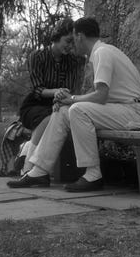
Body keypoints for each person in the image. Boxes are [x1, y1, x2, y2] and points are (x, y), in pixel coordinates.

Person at [7, 17, 140, 191]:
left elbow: (101, 96)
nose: (73, 44)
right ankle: (39, 171)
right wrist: (67, 102)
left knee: (77, 109)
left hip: (132, 112)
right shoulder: (102, 52)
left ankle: (93, 175)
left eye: (73, 39)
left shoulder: (101, 52)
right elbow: (100, 95)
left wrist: (72, 99)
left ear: (80, 36)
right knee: (63, 111)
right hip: (121, 108)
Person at [11, 18, 85, 173]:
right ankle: (28, 168)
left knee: (57, 115)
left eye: (73, 43)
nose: (70, 46)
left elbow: (70, 89)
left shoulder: (73, 61)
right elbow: (37, 89)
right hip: (35, 104)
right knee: (49, 117)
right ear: (57, 36)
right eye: (68, 41)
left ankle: (26, 150)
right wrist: (56, 92)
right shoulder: (37, 56)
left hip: (60, 103)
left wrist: (62, 98)